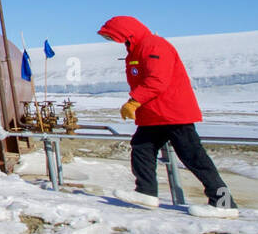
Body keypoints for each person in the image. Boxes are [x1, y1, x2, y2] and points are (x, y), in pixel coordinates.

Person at [97, 16, 236, 211]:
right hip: (155, 114)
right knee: (141, 147)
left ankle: (224, 204)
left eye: (113, 37)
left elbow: (157, 80)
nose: (113, 41)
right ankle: (146, 192)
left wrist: (134, 101)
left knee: (193, 157)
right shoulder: (137, 49)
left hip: (173, 113)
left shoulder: (154, 46)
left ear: (127, 33)